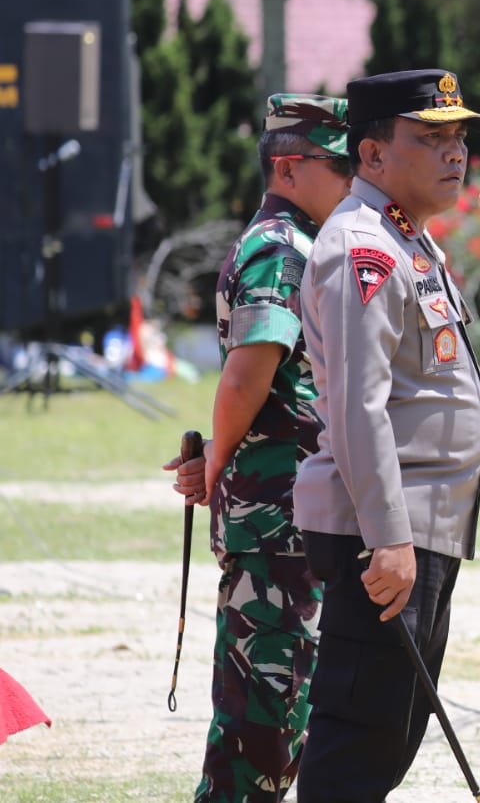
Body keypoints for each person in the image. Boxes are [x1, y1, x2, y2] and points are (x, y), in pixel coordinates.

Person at [292, 69, 480, 801]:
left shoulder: (403, 238)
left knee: (386, 738)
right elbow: (356, 406)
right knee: (359, 744)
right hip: (384, 533)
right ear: (372, 156)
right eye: (430, 138)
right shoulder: (362, 249)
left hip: (414, 527)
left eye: (459, 137)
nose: (454, 154)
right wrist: (390, 537)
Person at [164, 95, 351, 803]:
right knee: (263, 725)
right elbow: (250, 370)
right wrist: (218, 461)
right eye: (339, 164)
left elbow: (272, 392)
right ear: (290, 165)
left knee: (282, 707)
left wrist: (221, 447)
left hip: (290, 508)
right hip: (277, 519)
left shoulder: (300, 241)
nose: (352, 180)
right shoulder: (279, 246)